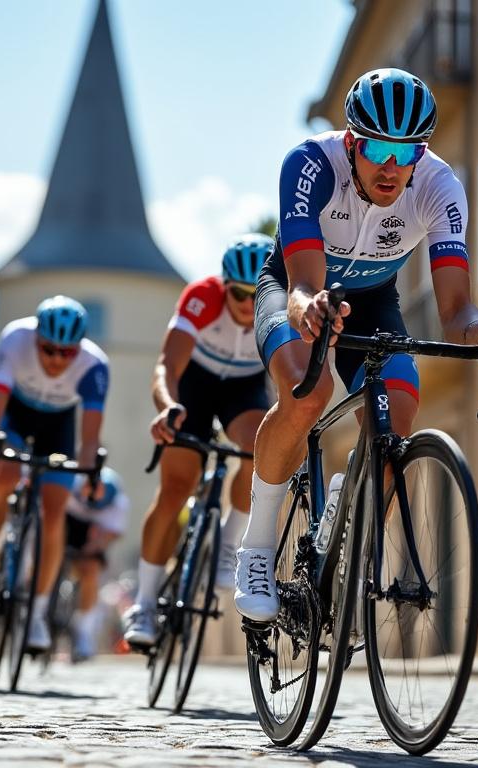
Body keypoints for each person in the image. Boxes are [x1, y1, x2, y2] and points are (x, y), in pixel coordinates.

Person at [234, 68, 478, 622]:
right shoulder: (309, 165)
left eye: (407, 150)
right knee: (308, 391)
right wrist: (310, 308)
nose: (392, 166)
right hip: (298, 288)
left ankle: (348, 510)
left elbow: (455, 312)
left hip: (373, 299)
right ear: (352, 141)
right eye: (376, 147)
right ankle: (255, 547)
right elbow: (301, 284)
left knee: (398, 417)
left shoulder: (439, 186)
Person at [121, 234, 273, 648]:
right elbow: (167, 365)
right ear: (224, 287)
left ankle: (229, 543)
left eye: (256, 293)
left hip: (243, 390)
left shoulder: (278, 304)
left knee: (261, 447)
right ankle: (146, 603)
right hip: (195, 386)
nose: (247, 304)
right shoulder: (202, 297)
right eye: (238, 294)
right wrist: (167, 405)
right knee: (175, 491)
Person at [0, 296, 110, 652]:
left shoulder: (95, 366)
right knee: (7, 474)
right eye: (48, 349)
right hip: (14, 416)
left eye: (67, 353)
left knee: (55, 511)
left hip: (58, 427)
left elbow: (89, 440)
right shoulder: (16, 339)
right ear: (36, 339)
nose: (57, 359)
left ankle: (38, 612)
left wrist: (90, 475)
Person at [63, 467, 128, 661]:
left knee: (90, 569)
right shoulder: (71, 485)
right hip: (67, 519)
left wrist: (95, 546)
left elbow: (112, 534)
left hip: (95, 531)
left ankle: (83, 630)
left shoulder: (117, 503)